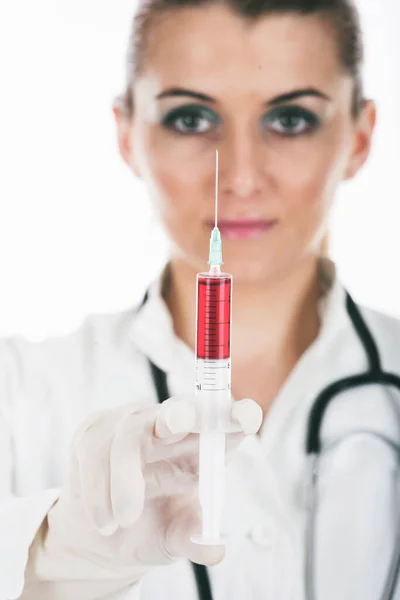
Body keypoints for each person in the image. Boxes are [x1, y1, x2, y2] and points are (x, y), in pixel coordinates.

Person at [1, 0, 399, 598]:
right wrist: (52, 558)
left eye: (290, 119)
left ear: (360, 136)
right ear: (126, 135)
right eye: (190, 118)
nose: (239, 176)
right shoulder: (24, 391)